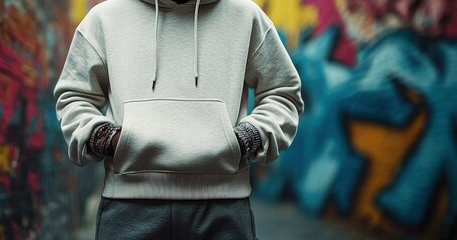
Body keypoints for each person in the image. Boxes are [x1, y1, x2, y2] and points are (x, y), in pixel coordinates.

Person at [54, 0, 303, 238]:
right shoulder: (104, 18)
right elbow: (75, 97)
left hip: (223, 207)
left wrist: (245, 138)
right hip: (128, 205)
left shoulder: (245, 16)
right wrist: (108, 139)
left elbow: (282, 93)